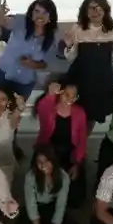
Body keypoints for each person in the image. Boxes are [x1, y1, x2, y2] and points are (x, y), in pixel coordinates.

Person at [64, 0, 113, 128]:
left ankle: (83, 139)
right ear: (85, 11)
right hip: (82, 77)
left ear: (105, 9)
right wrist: (69, 45)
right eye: (91, 8)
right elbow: (71, 58)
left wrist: (102, 69)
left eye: (99, 8)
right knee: (75, 114)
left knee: (92, 116)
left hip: (102, 80)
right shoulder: (78, 28)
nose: (95, 12)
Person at [16, 145, 83, 224]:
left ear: (53, 161)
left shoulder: (63, 177)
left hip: (52, 208)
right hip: (36, 209)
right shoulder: (30, 177)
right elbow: (31, 205)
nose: (43, 165)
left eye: (47, 161)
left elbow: (61, 205)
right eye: (39, 162)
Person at [33, 76, 88, 208]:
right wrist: (50, 95)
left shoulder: (80, 113)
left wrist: (77, 163)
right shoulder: (49, 108)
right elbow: (42, 109)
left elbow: (82, 140)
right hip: (48, 152)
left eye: (74, 96)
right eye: (67, 95)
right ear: (60, 93)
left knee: (75, 199)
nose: (70, 99)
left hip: (69, 154)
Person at [0, 0, 59, 103]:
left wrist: (32, 64)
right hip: (3, 74)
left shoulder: (51, 39)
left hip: (24, 82)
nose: (40, 16)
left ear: (51, 17)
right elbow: (3, 22)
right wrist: (0, 13)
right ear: (31, 13)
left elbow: (45, 64)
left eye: (45, 13)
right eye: (37, 11)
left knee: (16, 109)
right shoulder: (21, 21)